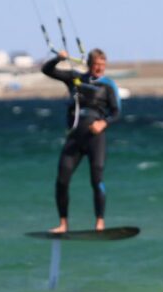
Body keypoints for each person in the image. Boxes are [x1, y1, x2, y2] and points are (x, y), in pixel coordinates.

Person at [41, 48, 121, 233]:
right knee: (62, 180)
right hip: (75, 137)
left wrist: (103, 122)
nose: (100, 69)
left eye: (103, 65)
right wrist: (57, 59)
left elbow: (116, 113)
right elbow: (47, 70)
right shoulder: (74, 78)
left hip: (95, 138)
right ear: (89, 64)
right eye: (96, 65)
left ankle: (99, 222)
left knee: (96, 180)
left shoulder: (108, 86)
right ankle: (63, 224)